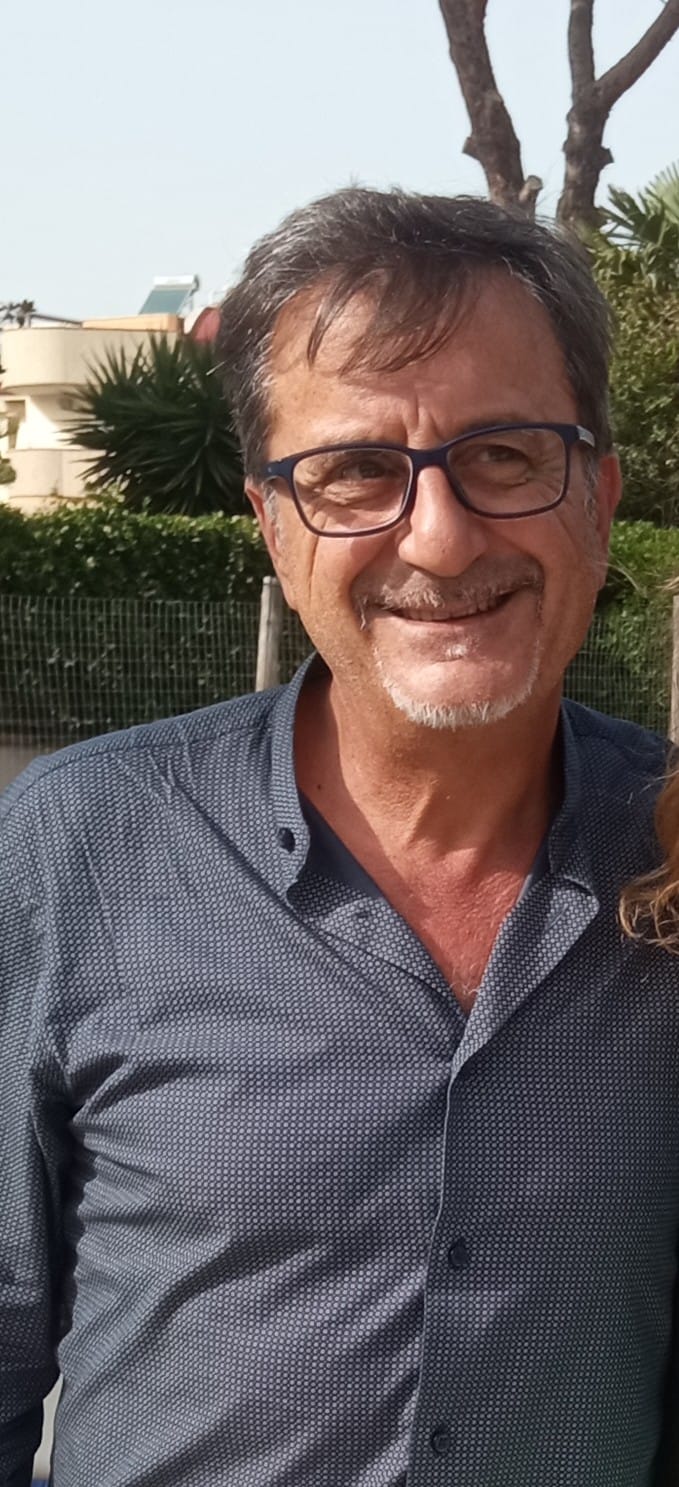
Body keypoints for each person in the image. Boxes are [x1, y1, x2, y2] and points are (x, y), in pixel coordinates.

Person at [1, 189, 677, 1487]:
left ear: (597, 499)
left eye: (506, 454)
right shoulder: (78, 853)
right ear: (272, 523)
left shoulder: (672, 853)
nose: (441, 536)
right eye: (356, 470)